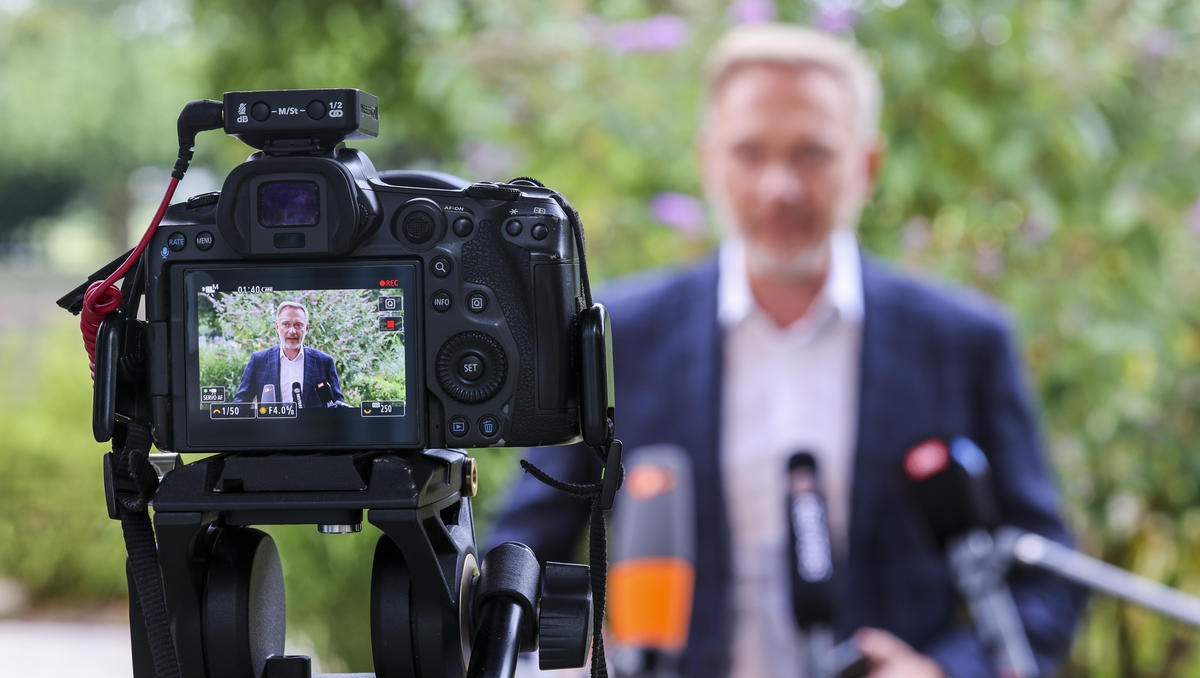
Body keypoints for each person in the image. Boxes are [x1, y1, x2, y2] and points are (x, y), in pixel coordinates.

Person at [490, 23, 1083, 678]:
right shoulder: (616, 339)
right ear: (708, 158)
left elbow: (1047, 579)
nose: (780, 186)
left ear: (868, 163)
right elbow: (518, 563)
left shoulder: (963, 342)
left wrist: (944, 671)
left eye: (811, 153)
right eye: (750, 152)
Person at [234, 300, 345, 408]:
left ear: (306, 328)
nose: (292, 331)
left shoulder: (324, 361)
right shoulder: (259, 360)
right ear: (277, 327)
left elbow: (338, 404)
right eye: (286, 324)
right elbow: (241, 403)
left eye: (298, 325)